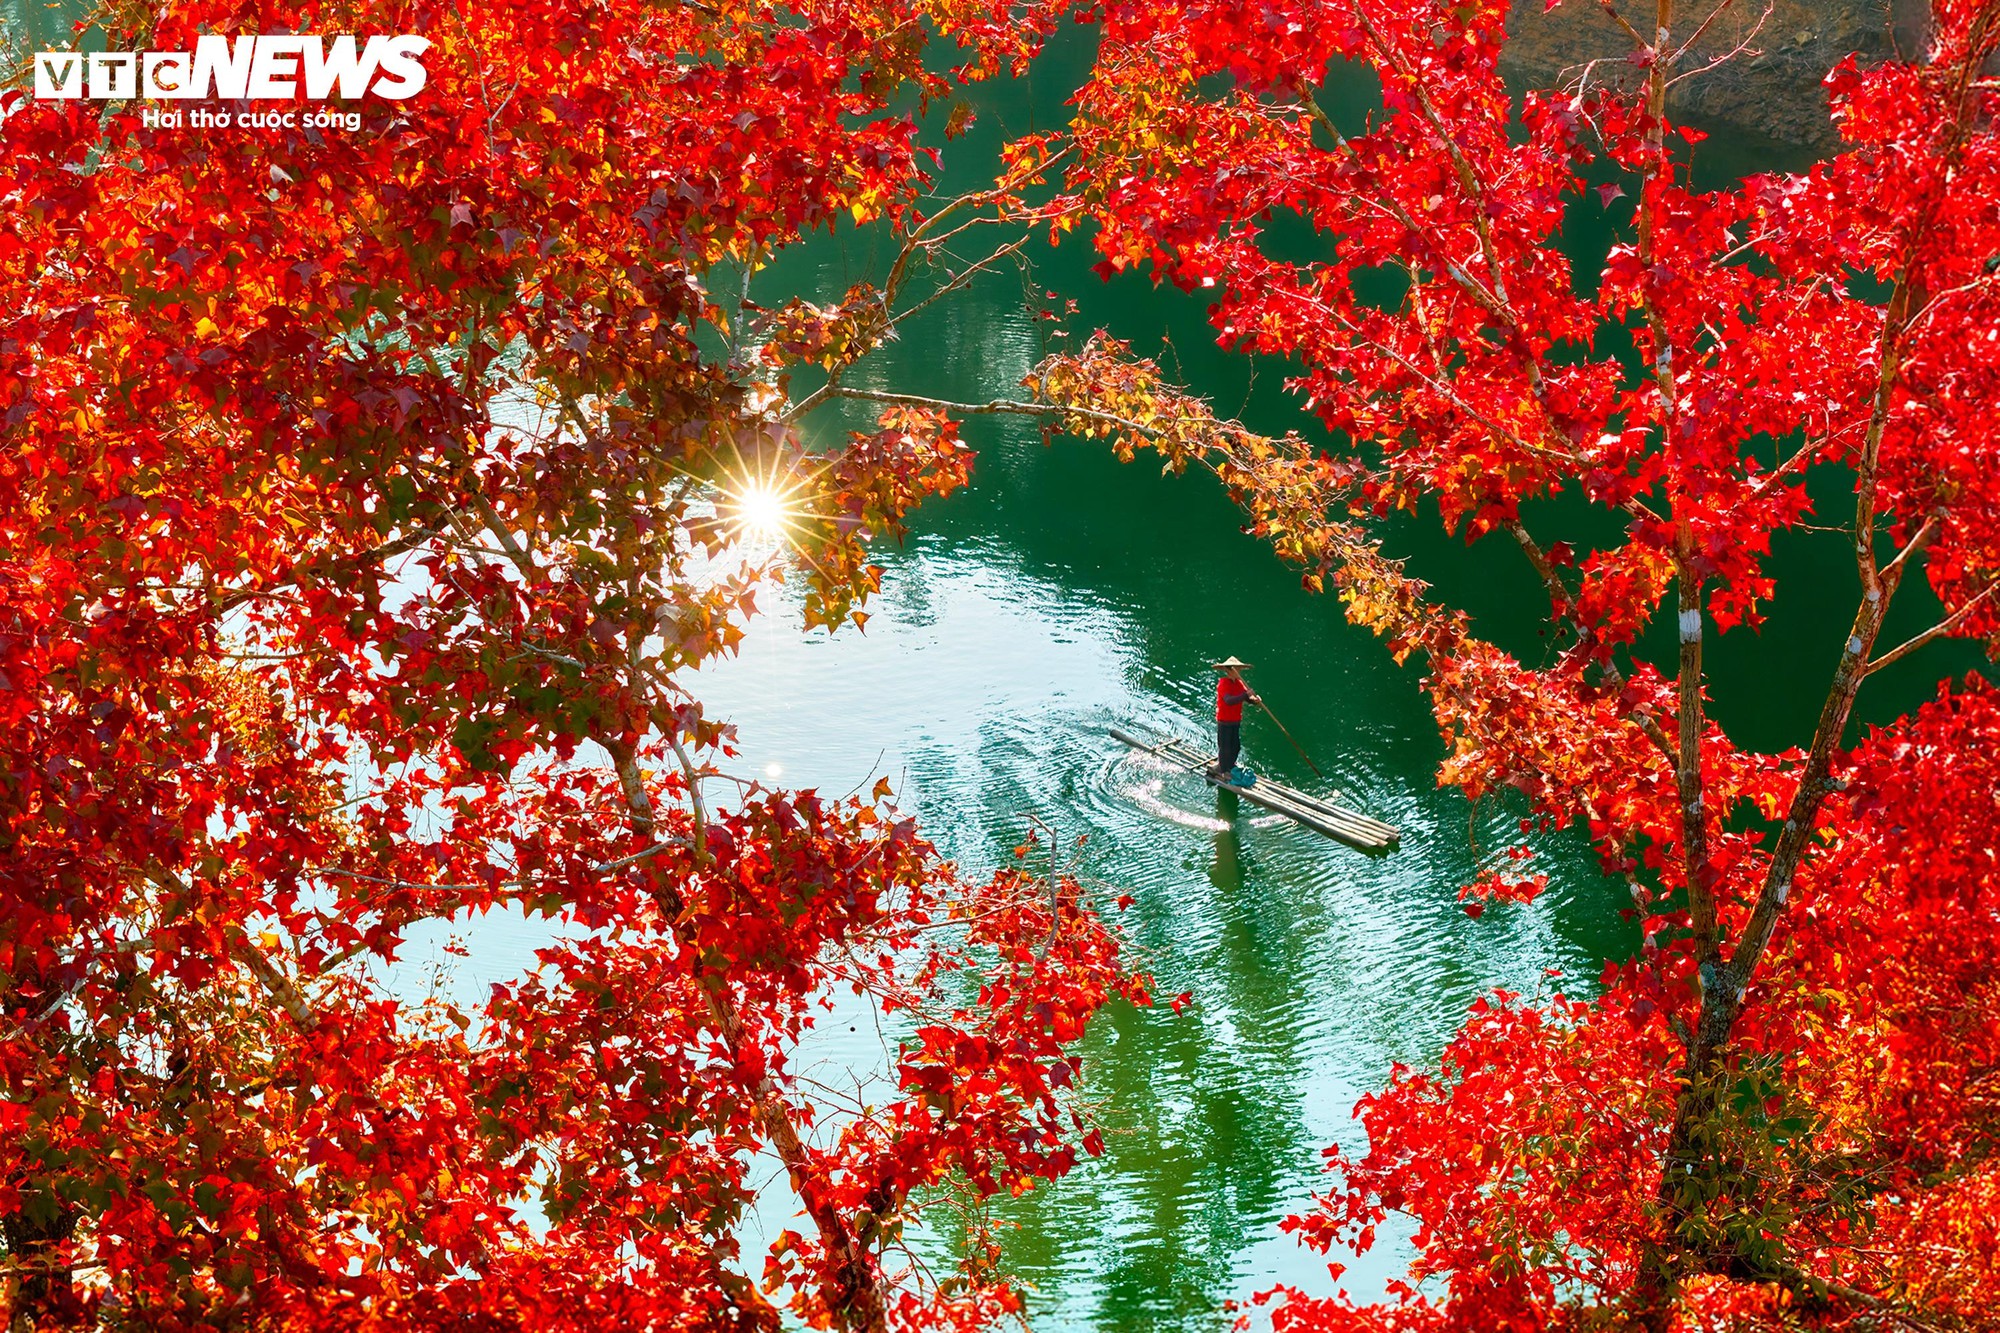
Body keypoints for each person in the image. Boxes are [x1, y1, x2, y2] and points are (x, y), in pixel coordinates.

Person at [1212, 656, 1259, 785]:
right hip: (1224, 720)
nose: (1239, 672)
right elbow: (1229, 700)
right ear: (1229, 670)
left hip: (1235, 719)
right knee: (1225, 747)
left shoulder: (1239, 683)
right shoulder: (1223, 683)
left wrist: (1255, 700)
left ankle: (1230, 765)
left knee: (1236, 746)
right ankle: (1224, 770)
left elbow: (1246, 698)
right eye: (1237, 669)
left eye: (1239, 669)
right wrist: (1245, 694)